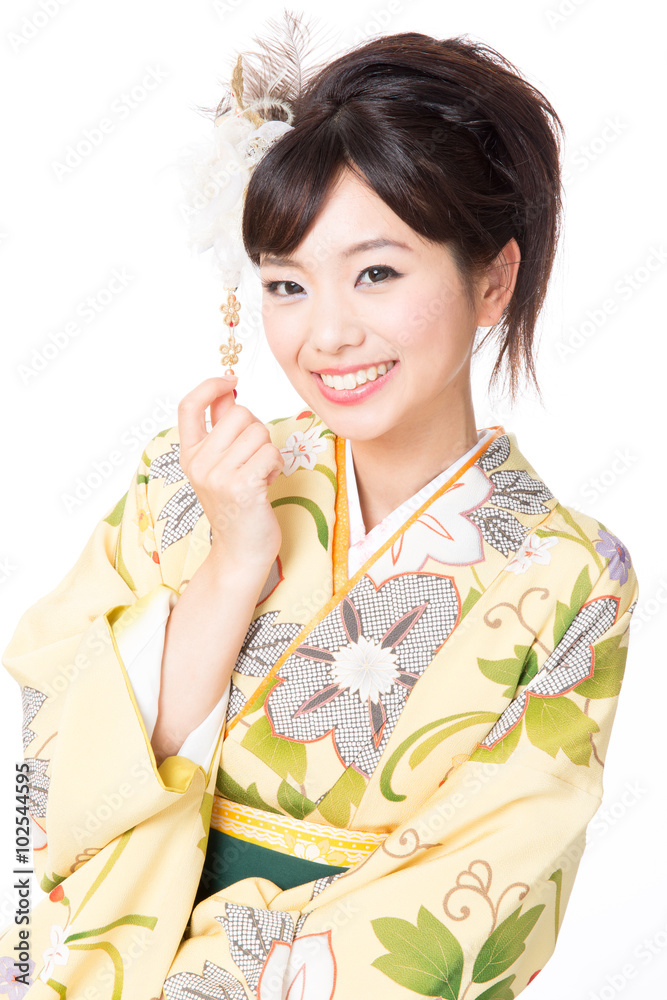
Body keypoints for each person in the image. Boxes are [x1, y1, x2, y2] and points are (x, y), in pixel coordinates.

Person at [0, 17, 639, 999]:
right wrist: (232, 560)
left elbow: (489, 895)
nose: (327, 333)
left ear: (493, 280)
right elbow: (41, 782)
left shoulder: (571, 577)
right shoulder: (192, 482)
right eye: (287, 284)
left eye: (376, 272)